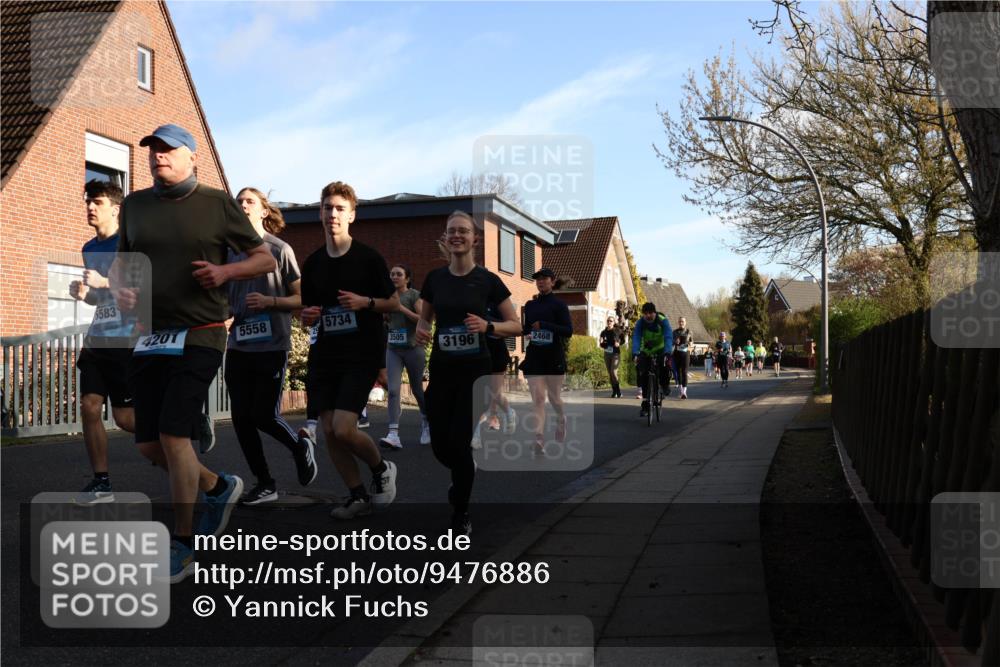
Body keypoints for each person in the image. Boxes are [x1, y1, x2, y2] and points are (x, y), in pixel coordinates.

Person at [111, 123, 276, 582]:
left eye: (167, 149)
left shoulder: (216, 202)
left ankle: (183, 544)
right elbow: (123, 270)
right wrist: (124, 292)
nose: (157, 156)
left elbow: (264, 259)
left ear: (191, 156)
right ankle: (217, 486)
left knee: (174, 436)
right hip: (151, 336)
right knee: (148, 442)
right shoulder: (135, 206)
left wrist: (227, 274)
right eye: (152, 150)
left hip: (202, 333)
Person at [415, 211, 521, 536]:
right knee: (440, 445)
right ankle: (464, 472)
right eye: (451, 231)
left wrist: (488, 325)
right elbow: (425, 318)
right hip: (443, 371)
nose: (457, 235)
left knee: (459, 443)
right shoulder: (434, 279)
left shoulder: (487, 280)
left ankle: (460, 512)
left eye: (463, 231)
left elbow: (516, 324)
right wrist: (421, 329)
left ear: (475, 239)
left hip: (476, 372)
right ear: (446, 238)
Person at [299, 181, 399, 521]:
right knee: (328, 430)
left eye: (340, 208)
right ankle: (357, 495)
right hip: (325, 354)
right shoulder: (312, 263)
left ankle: (381, 466)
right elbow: (307, 314)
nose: (333, 214)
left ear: (352, 216)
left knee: (343, 427)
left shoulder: (368, 258)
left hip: (360, 354)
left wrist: (365, 302)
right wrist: (307, 316)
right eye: (327, 207)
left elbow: (393, 302)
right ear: (320, 213)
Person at [226, 187, 317, 506]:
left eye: (249, 201)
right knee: (240, 418)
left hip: (271, 345)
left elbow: (303, 297)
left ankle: (299, 447)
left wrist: (271, 301)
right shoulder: (230, 252)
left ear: (264, 210)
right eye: (238, 202)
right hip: (238, 345)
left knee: (263, 415)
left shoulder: (280, 249)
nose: (242, 205)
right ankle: (265, 482)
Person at [71, 180, 135, 503]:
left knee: (125, 419)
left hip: (127, 340)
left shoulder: (131, 243)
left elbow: (139, 293)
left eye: (96, 202)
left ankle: (182, 423)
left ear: (115, 208)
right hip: (98, 338)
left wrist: (104, 281)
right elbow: (102, 299)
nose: (90, 208)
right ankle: (102, 482)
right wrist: (86, 294)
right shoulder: (89, 249)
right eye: (87, 202)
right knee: (89, 406)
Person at [520, 268, 573, 453]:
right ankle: (539, 438)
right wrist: (526, 331)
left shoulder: (559, 305)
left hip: (553, 356)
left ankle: (561, 419)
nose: (540, 282)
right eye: (538, 280)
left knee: (554, 398)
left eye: (544, 279)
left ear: (552, 281)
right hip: (535, 355)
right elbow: (526, 329)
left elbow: (568, 331)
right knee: (539, 399)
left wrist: (545, 326)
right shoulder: (530, 305)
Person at [380, 264, 430, 449]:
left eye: (398, 274)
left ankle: (426, 422)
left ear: (407, 278)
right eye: (392, 274)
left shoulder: (413, 295)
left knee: (417, 389)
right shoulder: (388, 296)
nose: (394, 277)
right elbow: (387, 320)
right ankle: (393, 433)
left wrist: (400, 308)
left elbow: (422, 318)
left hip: (413, 347)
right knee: (393, 390)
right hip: (393, 348)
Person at [471, 298, 517, 449]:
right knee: (477, 395)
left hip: (496, 353)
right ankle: (475, 436)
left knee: (494, 393)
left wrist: (487, 324)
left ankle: (509, 412)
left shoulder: (496, 303)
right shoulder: (469, 301)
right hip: (476, 353)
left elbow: (511, 327)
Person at [631, 303, 673, 418]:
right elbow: (636, 338)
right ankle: (645, 402)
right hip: (647, 350)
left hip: (661, 349)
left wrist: (667, 352)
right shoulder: (640, 323)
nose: (648, 316)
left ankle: (665, 385)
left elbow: (668, 336)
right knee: (642, 371)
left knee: (664, 365)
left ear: (655, 313)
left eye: (650, 313)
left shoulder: (662, 320)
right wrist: (635, 353)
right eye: (645, 314)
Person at [599, 316, 624, 398]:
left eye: (611, 321)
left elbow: (623, 339)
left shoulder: (617, 331)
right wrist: (601, 342)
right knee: (610, 373)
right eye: (608, 321)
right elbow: (601, 343)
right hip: (607, 353)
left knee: (613, 372)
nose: (609, 322)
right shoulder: (603, 332)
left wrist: (619, 343)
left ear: (614, 323)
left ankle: (619, 391)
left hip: (615, 354)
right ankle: (614, 391)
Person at [672, 316, 692, 399]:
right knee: (679, 372)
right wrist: (675, 341)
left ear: (685, 322)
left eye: (683, 321)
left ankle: (684, 392)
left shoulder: (689, 331)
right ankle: (681, 391)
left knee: (685, 372)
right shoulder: (675, 332)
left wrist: (690, 345)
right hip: (677, 354)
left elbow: (691, 342)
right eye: (680, 321)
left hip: (685, 354)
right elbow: (671, 342)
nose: (681, 323)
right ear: (678, 322)